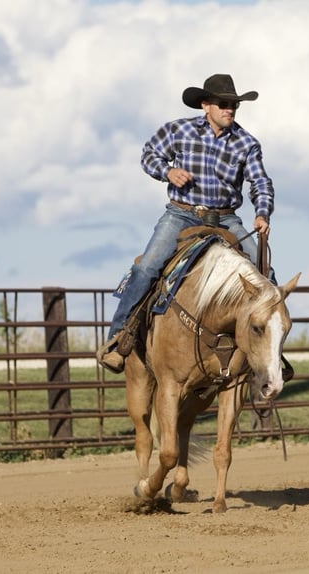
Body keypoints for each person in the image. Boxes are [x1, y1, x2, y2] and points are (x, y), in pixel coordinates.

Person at [96, 73, 276, 373]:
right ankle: (119, 338)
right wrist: (167, 172)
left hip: (226, 218)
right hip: (182, 214)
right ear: (206, 105)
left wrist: (262, 213)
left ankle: (266, 352)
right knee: (148, 266)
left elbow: (261, 182)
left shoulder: (247, 143)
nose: (230, 109)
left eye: (234, 105)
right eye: (223, 104)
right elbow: (149, 154)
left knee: (264, 274)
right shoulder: (179, 131)